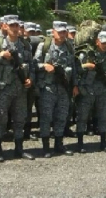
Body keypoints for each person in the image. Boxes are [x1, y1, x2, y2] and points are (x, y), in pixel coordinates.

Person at [0, 15, 35, 162]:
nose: (14, 28)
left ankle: (19, 149)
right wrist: (1, 55)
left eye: (17, 25)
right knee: (0, 119)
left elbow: (31, 65)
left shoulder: (25, 45)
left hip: (20, 89)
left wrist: (30, 79)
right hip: (3, 89)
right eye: (11, 25)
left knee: (20, 119)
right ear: (5, 26)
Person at [34, 21, 75, 157]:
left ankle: (59, 144)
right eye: (60, 32)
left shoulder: (69, 46)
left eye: (64, 32)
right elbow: (34, 64)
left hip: (63, 88)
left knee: (61, 116)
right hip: (47, 87)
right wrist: (44, 66)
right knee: (46, 117)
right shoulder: (44, 46)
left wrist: (74, 85)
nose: (63, 34)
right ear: (53, 32)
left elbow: (74, 67)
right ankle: (46, 147)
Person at [74, 30, 106, 153]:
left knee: (104, 116)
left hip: (103, 89)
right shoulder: (87, 54)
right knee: (82, 116)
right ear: (97, 41)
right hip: (87, 89)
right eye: (103, 43)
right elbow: (76, 70)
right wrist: (86, 66)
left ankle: (104, 143)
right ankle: (80, 143)